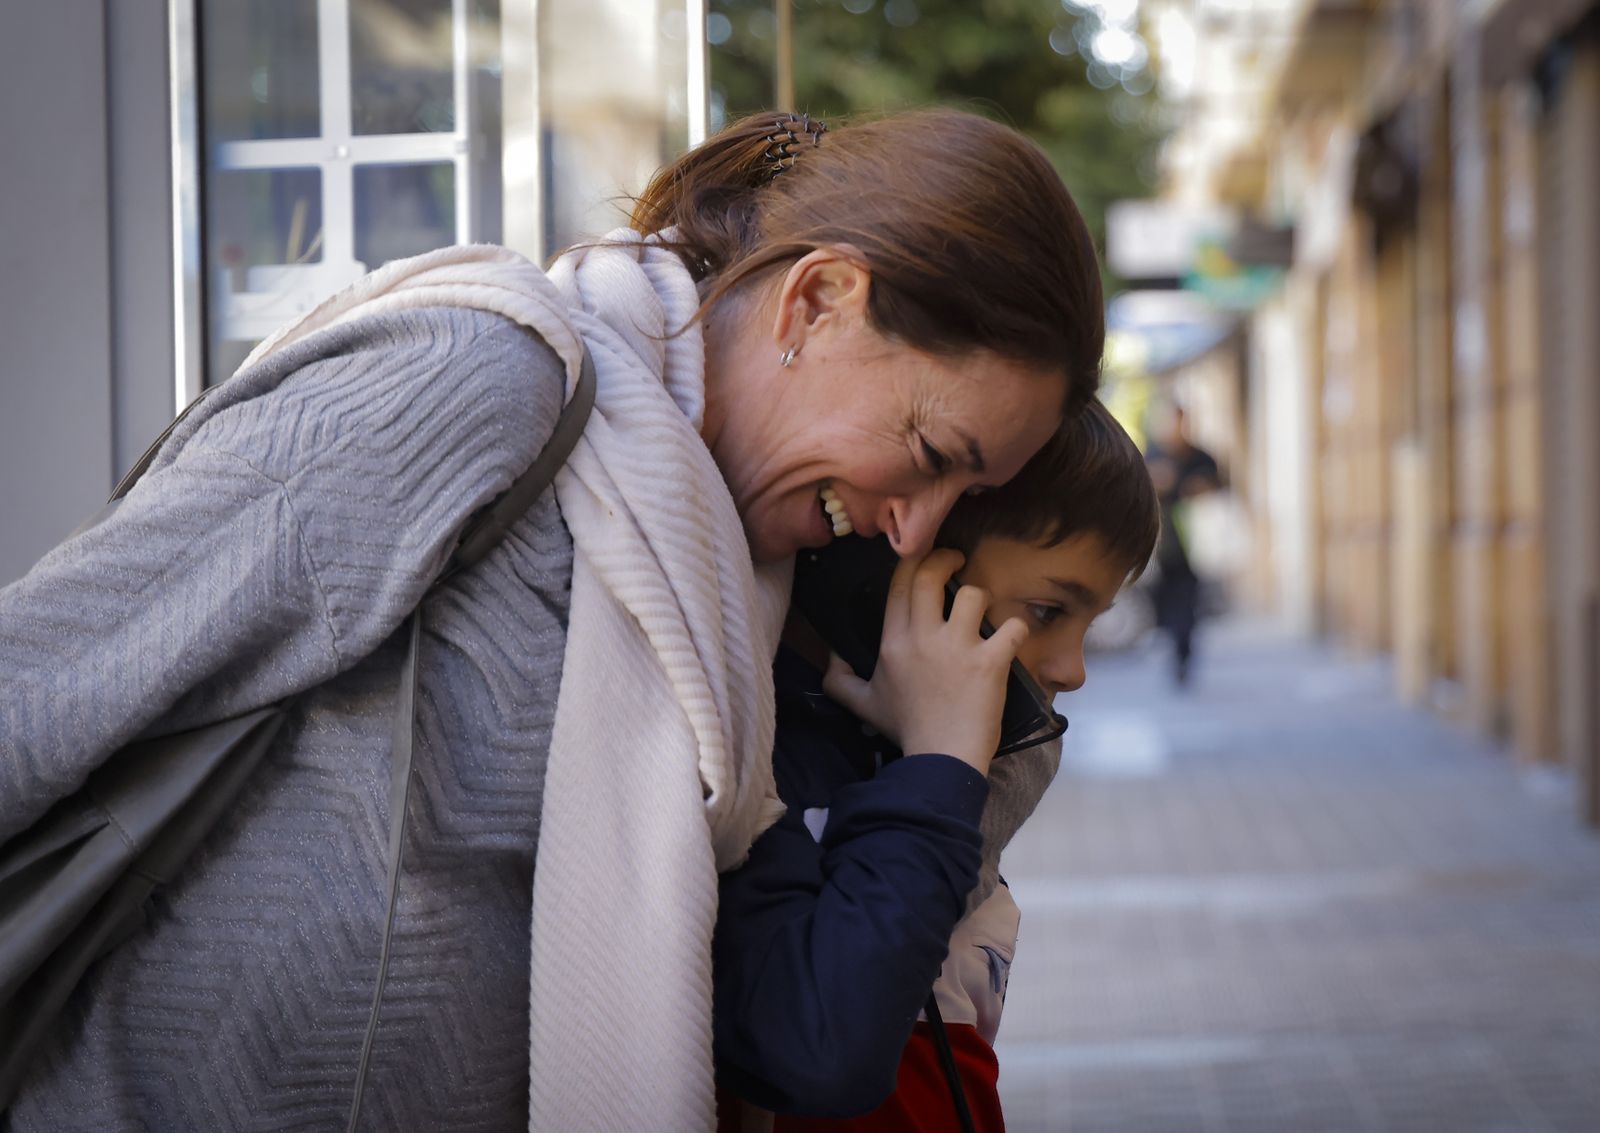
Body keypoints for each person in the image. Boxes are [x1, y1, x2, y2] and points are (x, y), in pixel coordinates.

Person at [0, 107, 1104, 1131]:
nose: (914, 530)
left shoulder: (735, 588)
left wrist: (942, 761)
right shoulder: (479, 385)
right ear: (815, 301)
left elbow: (817, 1027)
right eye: (929, 456)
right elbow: (40, 690)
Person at [713, 400, 1160, 1131]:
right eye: (1049, 611)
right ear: (896, 565)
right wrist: (940, 758)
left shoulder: (1003, 756)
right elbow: (827, 1031)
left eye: (1092, 620)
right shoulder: (761, 750)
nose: (1075, 669)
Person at [1143, 404, 1222, 686]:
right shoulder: (1152, 454)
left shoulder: (1200, 457)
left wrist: (1197, 487)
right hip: (1162, 547)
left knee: (1187, 605)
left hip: (1193, 549)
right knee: (1163, 601)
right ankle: (1173, 644)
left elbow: (1219, 486)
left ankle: (1183, 653)